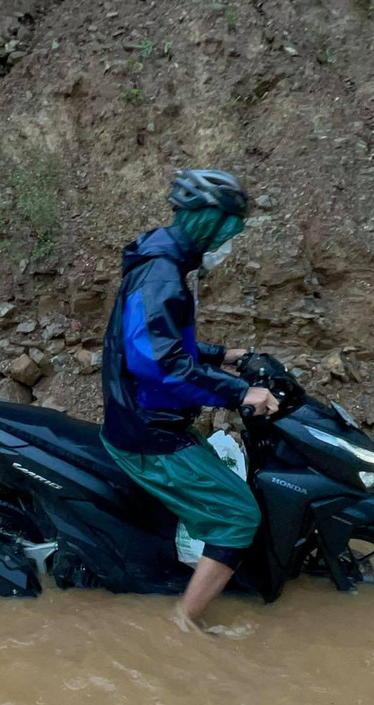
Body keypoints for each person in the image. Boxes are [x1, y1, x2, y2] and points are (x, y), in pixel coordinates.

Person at [100, 170, 281, 631]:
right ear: (208, 220)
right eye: (227, 229)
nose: (227, 241)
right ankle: (182, 624)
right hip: (148, 431)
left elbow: (164, 343)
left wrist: (223, 355)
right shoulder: (161, 273)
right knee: (238, 514)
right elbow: (157, 363)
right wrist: (240, 391)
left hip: (153, 418)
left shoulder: (163, 265)